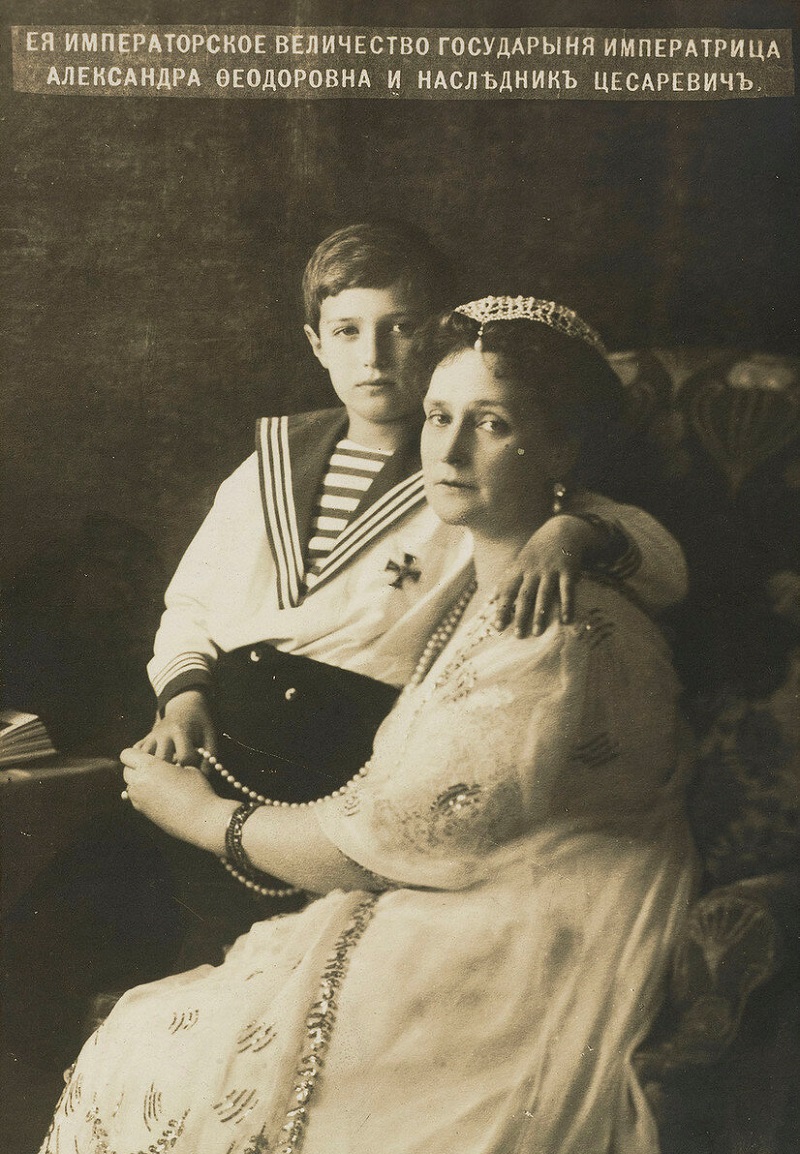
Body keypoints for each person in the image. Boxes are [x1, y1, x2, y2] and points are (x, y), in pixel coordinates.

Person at [8, 295, 699, 1154]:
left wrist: (199, 815)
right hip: (430, 862)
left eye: (492, 424)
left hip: (535, 921)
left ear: (562, 448)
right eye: (439, 416)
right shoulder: (478, 561)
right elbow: (197, 602)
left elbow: (386, 837)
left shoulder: (553, 615)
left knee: (164, 1052)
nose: (448, 450)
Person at [131, 221, 688, 958]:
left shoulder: (474, 476)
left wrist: (570, 532)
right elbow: (193, 600)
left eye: (399, 329)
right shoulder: (271, 462)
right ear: (316, 343)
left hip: (341, 754)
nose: (374, 357)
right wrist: (184, 696)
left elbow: (658, 560)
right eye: (348, 331)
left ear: (433, 338)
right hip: (220, 729)